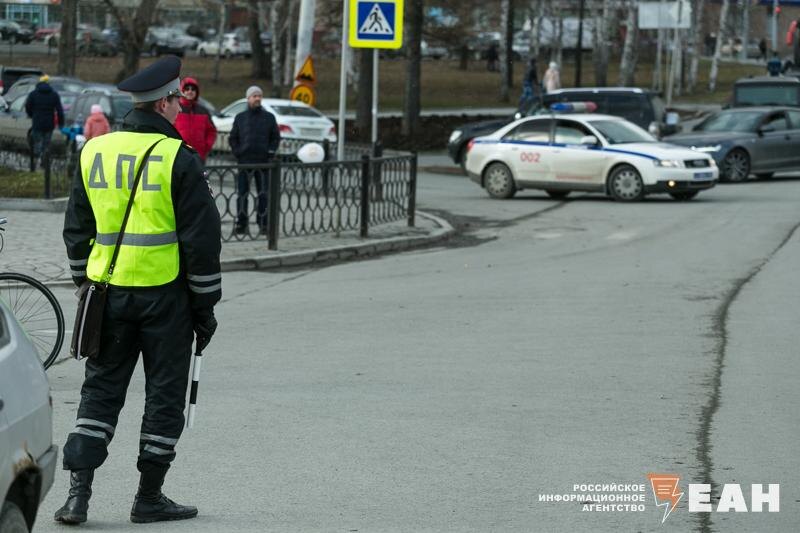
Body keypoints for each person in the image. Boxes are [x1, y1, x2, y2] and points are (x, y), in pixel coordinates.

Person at [58, 55, 221, 526]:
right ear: (166, 102)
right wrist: (205, 307)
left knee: (100, 392)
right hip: (165, 298)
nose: (179, 106)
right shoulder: (178, 158)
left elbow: (77, 228)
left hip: (107, 295)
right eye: (176, 99)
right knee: (164, 397)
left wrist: (85, 282)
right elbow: (201, 241)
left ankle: (77, 497)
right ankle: (149, 497)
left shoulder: (95, 151)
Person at [229, 85, 280, 234]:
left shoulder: (269, 117)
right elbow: (233, 138)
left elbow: (275, 137)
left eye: (259, 96)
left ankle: (263, 224)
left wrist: (270, 152)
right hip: (244, 162)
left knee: (263, 195)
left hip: (263, 163)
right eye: (254, 96)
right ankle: (241, 224)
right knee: (242, 194)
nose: (257, 98)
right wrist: (238, 152)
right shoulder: (240, 118)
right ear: (248, 98)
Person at [25, 74, 64, 168]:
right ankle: (44, 162)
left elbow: (27, 106)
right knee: (46, 144)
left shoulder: (33, 94)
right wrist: (61, 123)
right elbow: (59, 110)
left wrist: (31, 115)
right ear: (48, 83)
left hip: (37, 122)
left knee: (37, 143)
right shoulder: (54, 94)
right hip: (49, 123)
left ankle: (34, 163)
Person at [174, 76, 217, 162]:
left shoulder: (203, 111)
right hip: (179, 155)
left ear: (197, 92)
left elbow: (212, 131)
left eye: (193, 89)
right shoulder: (175, 109)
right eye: (187, 89)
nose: (190, 91)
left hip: (199, 156)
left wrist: (206, 147)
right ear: (182, 91)